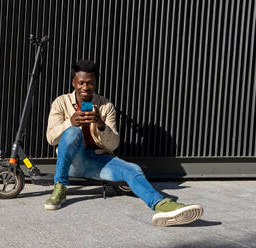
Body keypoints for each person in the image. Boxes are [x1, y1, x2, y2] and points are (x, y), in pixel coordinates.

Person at [45, 60, 203, 226]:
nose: (85, 88)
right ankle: (60, 187)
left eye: (90, 83)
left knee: (133, 169)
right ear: (74, 83)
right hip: (72, 163)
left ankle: (161, 205)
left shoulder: (106, 106)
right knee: (72, 132)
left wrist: (100, 124)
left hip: (97, 160)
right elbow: (51, 138)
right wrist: (71, 122)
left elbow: (113, 145)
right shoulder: (60, 103)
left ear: (95, 82)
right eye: (81, 83)